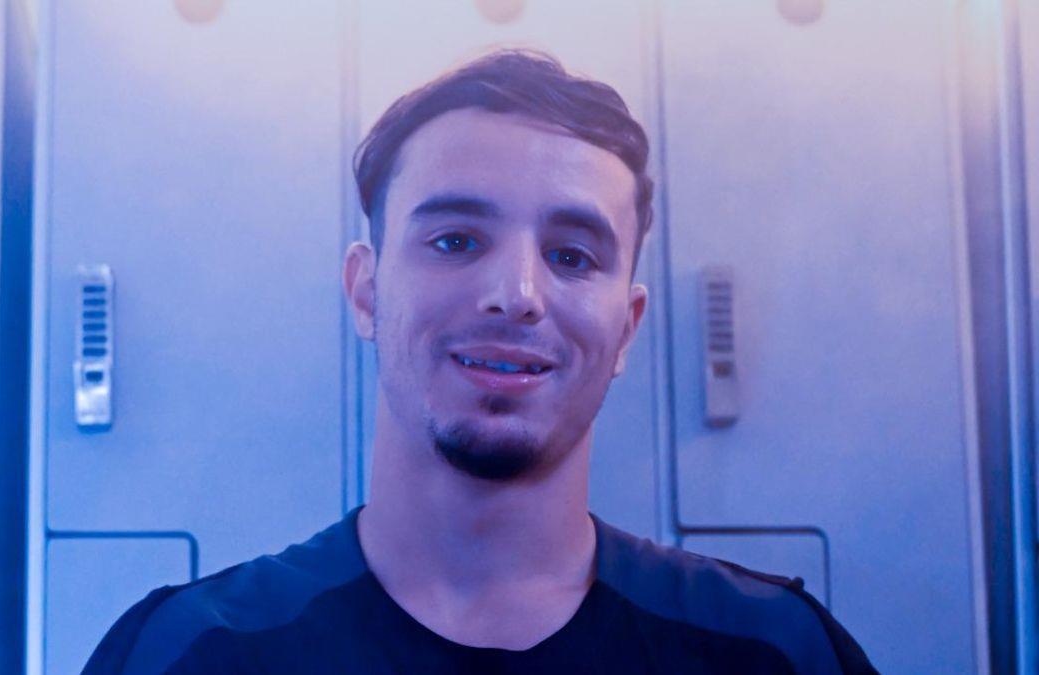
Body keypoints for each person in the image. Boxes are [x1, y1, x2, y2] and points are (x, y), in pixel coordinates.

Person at [83, 49, 877, 674]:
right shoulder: (192, 653)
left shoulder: (771, 653)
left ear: (627, 327)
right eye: (456, 240)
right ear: (365, 291)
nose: (517, 294)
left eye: (572, 255)